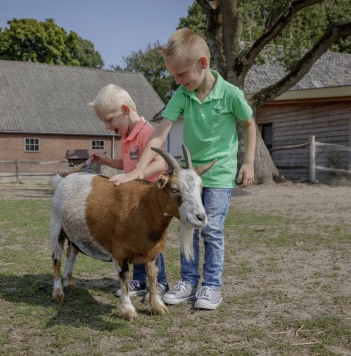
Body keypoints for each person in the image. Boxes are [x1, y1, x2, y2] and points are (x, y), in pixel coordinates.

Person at [109, 28, 256, 310]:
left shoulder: (230, 94)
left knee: (210, 229)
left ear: (202, 63)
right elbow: (159, 134)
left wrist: (248, 163)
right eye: (174, 76)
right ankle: (188, 282)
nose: (177, 81)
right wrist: (140, 170)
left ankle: (211, 285)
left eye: (181, 75)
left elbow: (249, 125)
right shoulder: (182, 96)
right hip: (190, 178)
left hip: (220, 174)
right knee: (188, 227)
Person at [88, 84, 170, 300]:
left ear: (125, 110)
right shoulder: (126, 136)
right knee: (135, 240)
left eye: (109, 120)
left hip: (150, 200)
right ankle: (140, 281)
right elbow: (127, 166)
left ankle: (159, 283)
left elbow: (161, 163)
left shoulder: (147, 133)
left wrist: (139, 174)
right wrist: (106, 160)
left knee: (151, 243)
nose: (107, 126)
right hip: (134, 203)